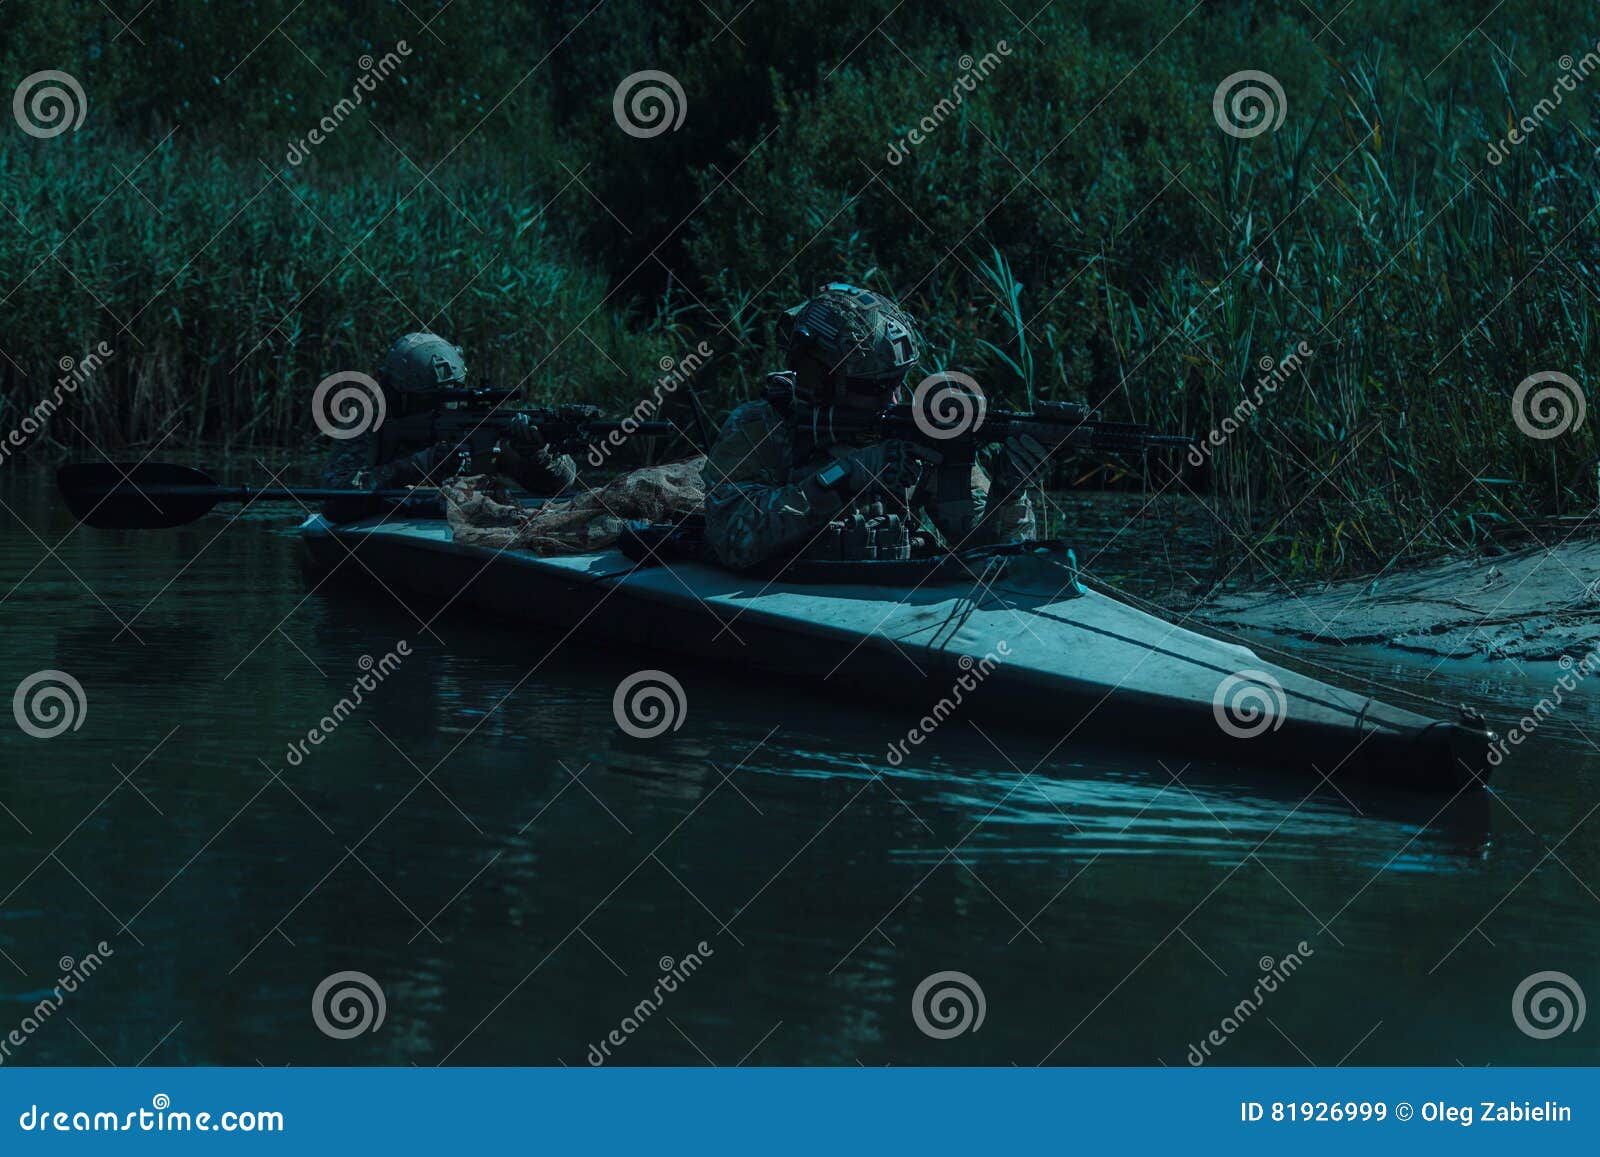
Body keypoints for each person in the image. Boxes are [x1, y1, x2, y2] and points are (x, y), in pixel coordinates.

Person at [701, 283, 1044, 571]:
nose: (894, 399)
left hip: (888, 610)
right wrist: (844, 476)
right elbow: (733, 539)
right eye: (873, 387)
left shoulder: (913, 434)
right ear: (818, 378)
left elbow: (987, 550)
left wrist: (1009, 492)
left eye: (897, 382)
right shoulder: (760, 426)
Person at [320, 332, 576, 514]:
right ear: (400, 395)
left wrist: (537, 454)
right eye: (430, 402)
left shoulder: (478, 428)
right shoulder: (370, 425)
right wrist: (418, 465)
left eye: (448, 399)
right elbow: (335, 502)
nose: (443, 408)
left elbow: (558, 486)